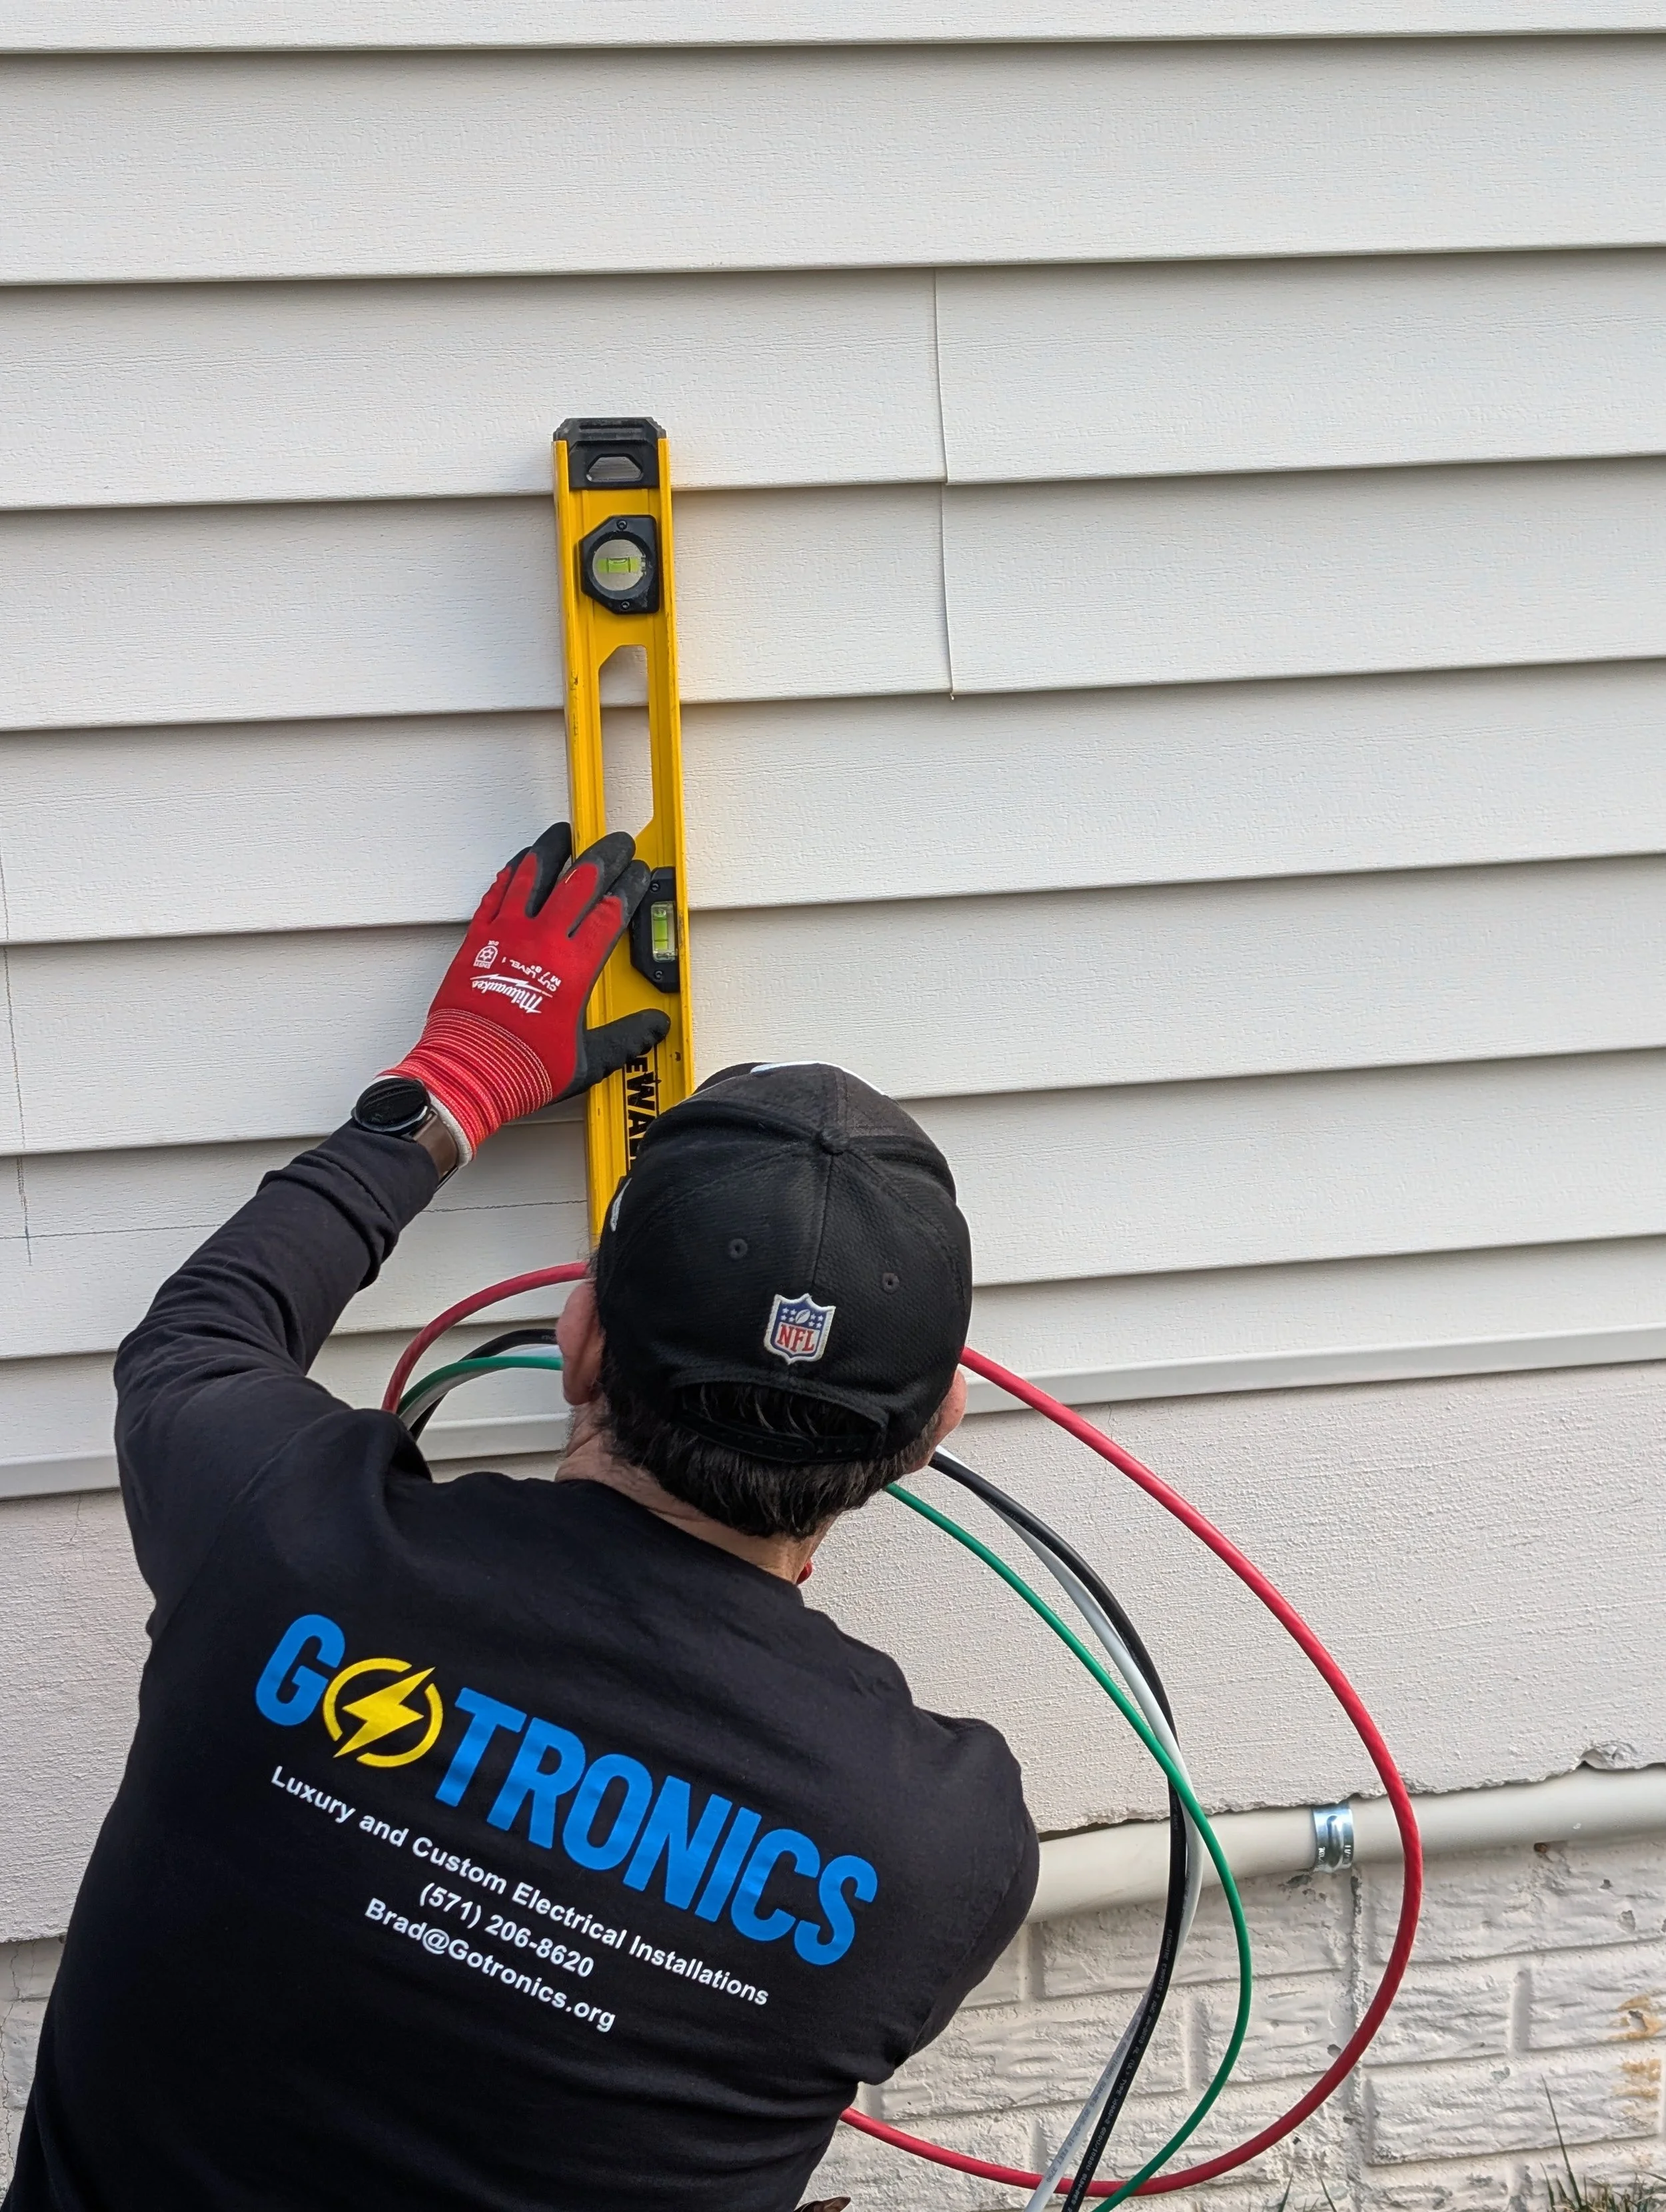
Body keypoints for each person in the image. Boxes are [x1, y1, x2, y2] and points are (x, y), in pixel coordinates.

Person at [6, 824, 1037, 2212]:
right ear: (932, 1430)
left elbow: (201, 1337)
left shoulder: (281, 1546)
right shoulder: (935, 1848)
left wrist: (463, 1075)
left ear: (580, 1341)